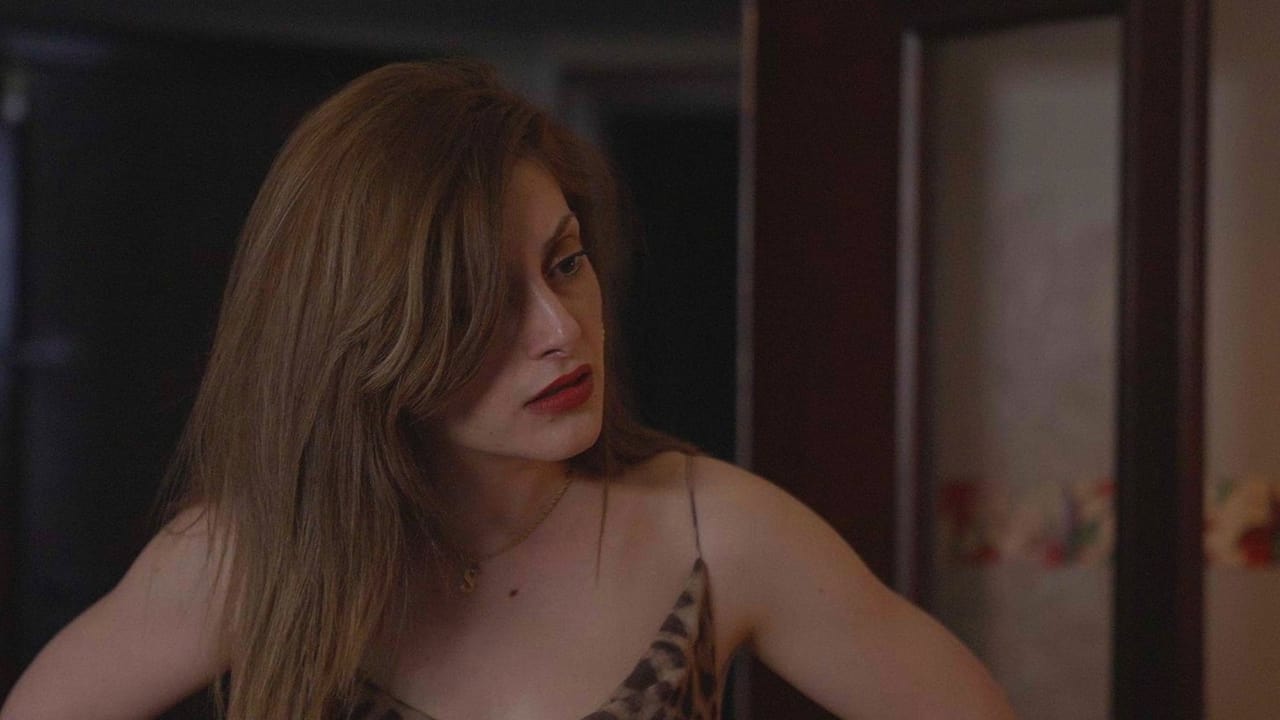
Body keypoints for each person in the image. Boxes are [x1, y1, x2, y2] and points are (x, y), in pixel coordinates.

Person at [0, 60, 1014, 720]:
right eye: (478, 304)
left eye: (564, 263)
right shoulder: (256, 554)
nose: (559, 331)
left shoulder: (716, 534)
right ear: (365, 338)